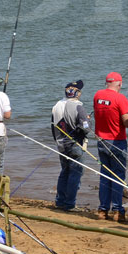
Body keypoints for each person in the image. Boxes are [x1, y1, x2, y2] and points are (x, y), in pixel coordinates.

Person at [92, 72, 128, 221]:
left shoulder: (98, 95)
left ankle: (103, 210)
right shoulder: (120, 98)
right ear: (120, 84)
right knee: (117, 177)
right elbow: (126, 122)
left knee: (105, 175)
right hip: (117, 142)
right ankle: (117, 210)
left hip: (101, 141)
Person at [51, 80, 91, 212]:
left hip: (61, 143)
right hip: (74, 144)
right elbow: (85, 128)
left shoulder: (56, 105)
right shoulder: (77, 106)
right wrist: (87, 121)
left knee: (64, 172)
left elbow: (53, 126)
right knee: (75, 173)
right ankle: (70, 204)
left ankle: (60, 201)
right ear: (77, 93)